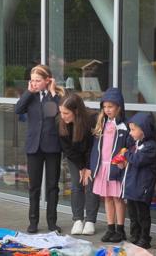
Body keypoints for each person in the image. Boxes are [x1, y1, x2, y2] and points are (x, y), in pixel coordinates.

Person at [15, 64, 66, 233]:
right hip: (33, 147)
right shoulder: (30, 96)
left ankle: (52, 222)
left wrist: (52, 92)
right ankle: (33, 222)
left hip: (52, 147)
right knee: (34, 186)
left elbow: (56, 112)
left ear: (47, 80)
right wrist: (29, 92)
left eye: (38, 80)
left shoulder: (56, 96)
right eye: (32, 80)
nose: (35, 83)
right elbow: (18, 109)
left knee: (53, 186)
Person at [58, 93, 100, 235]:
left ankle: (90, 221)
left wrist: (88, 167)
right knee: (76, 185)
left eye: (66, 113)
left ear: (76, 111)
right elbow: (68, 149)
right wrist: (81, 167)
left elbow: (92, 146)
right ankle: (77, 220)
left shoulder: (91, 119)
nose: (62, 116)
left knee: (90, 185)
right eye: (61, 112)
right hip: (74, 158)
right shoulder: (61, 122)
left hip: (91, 156)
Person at [90, 87, 128, 242]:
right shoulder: (102, 124)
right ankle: (110, 228)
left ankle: (120, 230)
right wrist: (92, 166)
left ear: (119, 107)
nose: (107, 110)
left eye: (110, 107)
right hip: (103, 167)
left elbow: (127, 147)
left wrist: (122, 161)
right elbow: (96, 148)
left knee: (117, 198)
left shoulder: (124, 126)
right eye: (105, 107)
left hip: (115, 167)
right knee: (107, 198)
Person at [117, 112, 156, 249]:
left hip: (142, 187)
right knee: (133, 214)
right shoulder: (136, 144)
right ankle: (135, 235)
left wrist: (126, 154)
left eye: (133, 129)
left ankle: (145, 238)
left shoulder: (150, 147)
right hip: (133, 186)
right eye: (130, 129)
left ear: (144, 130)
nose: (131, 132)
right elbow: (131, 155)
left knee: (143, 215)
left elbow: (137, 160)